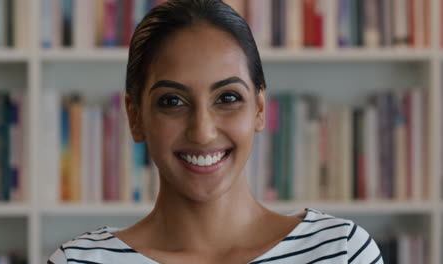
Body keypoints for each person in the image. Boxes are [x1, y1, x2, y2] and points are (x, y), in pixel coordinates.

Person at [48, 0, 383, 263]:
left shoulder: (342, 252)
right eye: (172, 101)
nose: (203, 132)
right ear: (135, 116)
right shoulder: (79, 261)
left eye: (227, 97)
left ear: (260, 109)